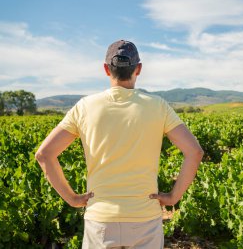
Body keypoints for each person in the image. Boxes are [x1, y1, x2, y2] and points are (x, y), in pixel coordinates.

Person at [35, 40, 204, 249]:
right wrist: (172, 197)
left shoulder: (85, 107)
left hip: (100, 220)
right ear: (139, 69)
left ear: (106, 69)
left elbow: (44, 154)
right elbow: (194, 152)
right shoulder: (158, 106)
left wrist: (72, 199)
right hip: (145, 219)